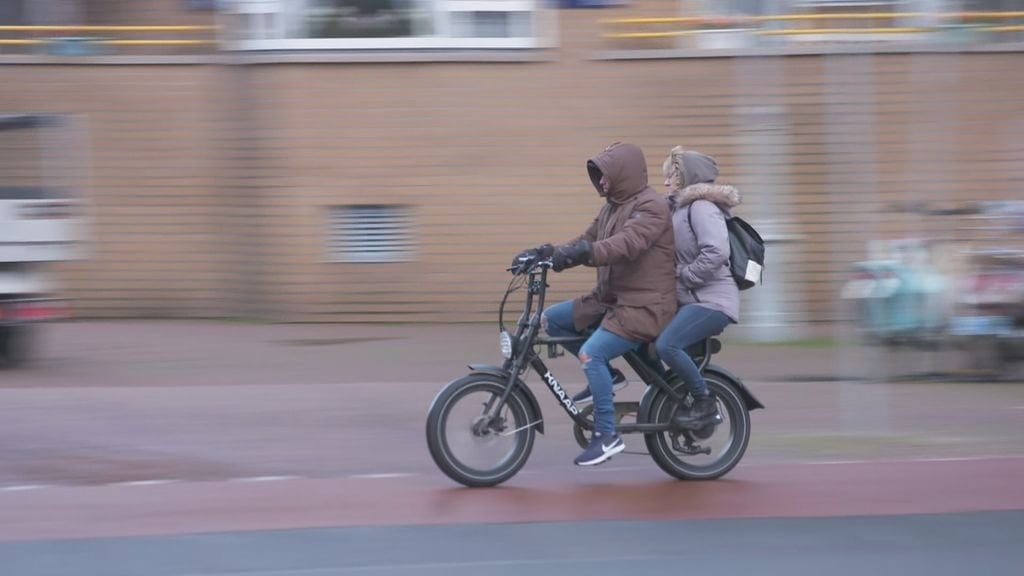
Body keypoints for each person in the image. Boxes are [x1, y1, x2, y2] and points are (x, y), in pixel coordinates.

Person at [511, 142, 677, 467]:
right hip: (610, 300)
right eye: (598, 176)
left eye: (605, 175)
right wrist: (545, 254)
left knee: (591, 353)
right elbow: (584, 241)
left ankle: (606, 435)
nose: (600, 181)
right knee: (549, 320)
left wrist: (584, 253)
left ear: (623, 173)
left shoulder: (652, 207)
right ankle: (610, 377)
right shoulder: (611, 209)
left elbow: (626, 244)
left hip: (644, 307)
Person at [654, 146, 741, 428]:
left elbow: (716, 252)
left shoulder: (702, 208)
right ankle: (665, 399)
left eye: (671, 176)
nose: (666, 181)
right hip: (691, 299)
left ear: (687, 177)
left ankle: (705, 404)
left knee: (667, 345)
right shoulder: (678, 209)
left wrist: (685, 276)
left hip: (712, 302)